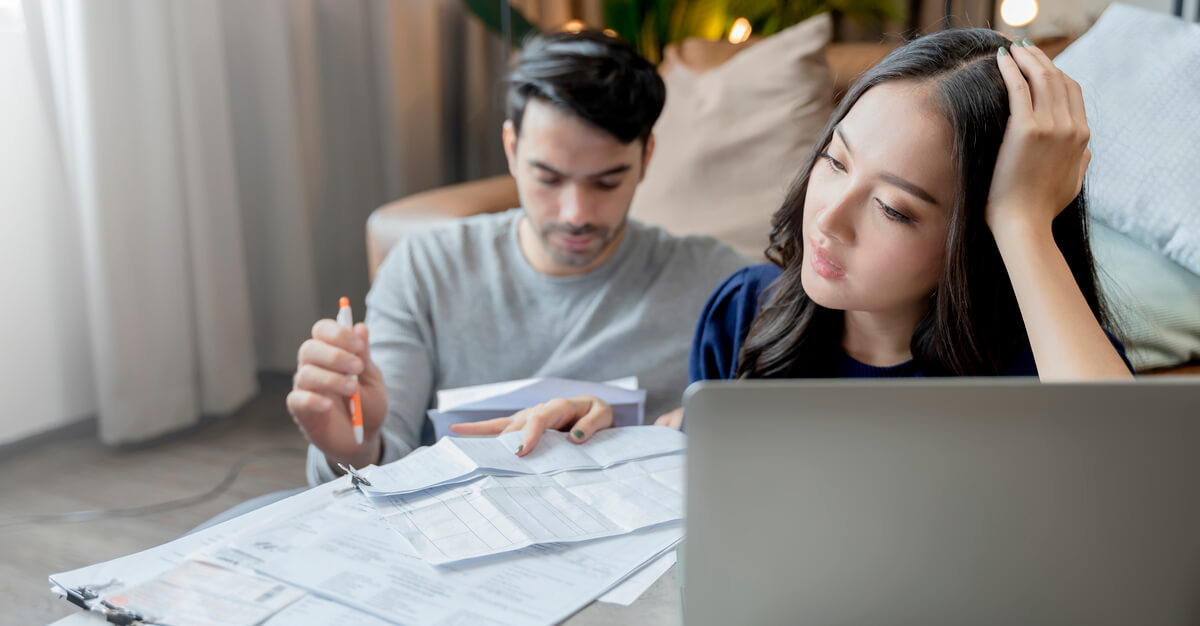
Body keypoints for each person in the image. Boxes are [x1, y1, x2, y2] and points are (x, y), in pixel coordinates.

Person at [456, 29, 1135, 454]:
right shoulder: (746, 314)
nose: (829, 219)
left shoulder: (1038, 361)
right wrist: (621, 441)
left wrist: (1022, 220)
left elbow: (1133, 485)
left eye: (894, 209)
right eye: (835, 162)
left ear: (977, 234)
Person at [287, 31, 747, 484]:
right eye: (548, 178)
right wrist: (354, 448)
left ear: (646, 157)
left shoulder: (718, 285)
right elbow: (380, 465)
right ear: (511, 149)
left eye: (606, 182)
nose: (576, 214)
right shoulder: (426, 270)